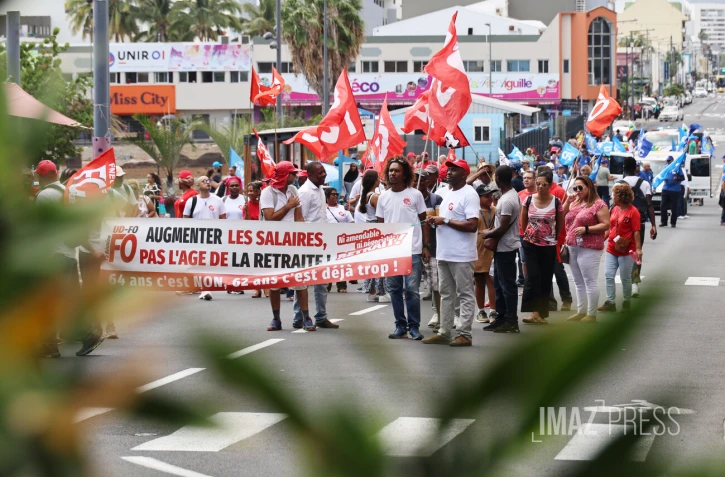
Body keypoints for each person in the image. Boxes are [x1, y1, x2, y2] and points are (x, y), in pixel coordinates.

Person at [35, 160, 106, 357]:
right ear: (56, 173)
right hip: (69, 253)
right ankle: (52, 345)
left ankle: (60, 343)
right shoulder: (68, 192)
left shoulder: (44, 196)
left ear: (39, 176)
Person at [422, 158, 479, 347]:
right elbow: (445, 219)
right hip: (444, 252)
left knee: (464, 294)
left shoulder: (469, 194)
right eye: (448, 169)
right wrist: (435, 221)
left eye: (454, 170)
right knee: (446, 293)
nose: (448, 172)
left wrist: (444, 221)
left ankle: (465, 334)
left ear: (464, 174)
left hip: (461, 255)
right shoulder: (447, 193)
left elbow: (472, 225)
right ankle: (445, 331)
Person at [376, 157, 430, 340]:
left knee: (412, 290)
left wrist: (426, 246)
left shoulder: (415, 195)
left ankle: (414, 326)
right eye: (390, 170)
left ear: (405, 174)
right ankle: (400, 325)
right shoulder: (383, 197)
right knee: (395, 290)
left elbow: (424, 222)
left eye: (397, 171)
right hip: (392, 251)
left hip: (412, 250)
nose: (392, 174)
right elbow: (380, 226)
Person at [260, 162, 314, 330]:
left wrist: (304, 236)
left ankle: (306, 318)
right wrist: (288, 206)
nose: (296, 176)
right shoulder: (267, 193)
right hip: (274, 244)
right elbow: (269, 218)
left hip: (294, 243)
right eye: (292, 173)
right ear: (284, 175)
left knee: (300, 282)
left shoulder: (293, 190)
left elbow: (298, 216)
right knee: (275, 283)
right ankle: (276, 319)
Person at [295, 162, 341, 329]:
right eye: (320, 173)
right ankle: (298, 316)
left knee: (321, 281)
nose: (324, 175)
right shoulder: (305, 192)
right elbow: (301, 219)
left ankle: (321, 316)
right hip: (309, 243)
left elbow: (321, 216)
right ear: (310, 174)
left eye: (324, 172)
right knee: (303, 282)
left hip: (322, 242)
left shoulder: (321, 190)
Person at [520, 168, 564, 325]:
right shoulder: (529, 200)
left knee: (545, 278)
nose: (540, 187)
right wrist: (529, 235)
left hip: (548, 245)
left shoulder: (556, 202)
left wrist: (552, 237)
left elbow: (560, 223)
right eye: (538, 184)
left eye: (543, 184)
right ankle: (534, 311)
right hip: (530, 244)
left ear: (550, 185)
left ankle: (541, 313)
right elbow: (523, 221)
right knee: (532, 277)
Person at [562, 176, 610, 323]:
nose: (577, 191)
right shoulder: (575, 202)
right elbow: (562, 216)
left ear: (589, 187)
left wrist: (587, 229)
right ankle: (581, 311)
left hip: (590, 246)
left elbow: (606, 224)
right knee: (578, 281)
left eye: (580, 188)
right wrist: (567, 202)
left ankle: (591, 314)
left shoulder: (599, 204)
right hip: (572, 245)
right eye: (575, 188)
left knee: (590, 280)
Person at [481, 165, 522, 333]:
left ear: (498, 179)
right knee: (498, 284)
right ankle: (501, 317)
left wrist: (487, 233)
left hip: (506, 248)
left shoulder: (507, 200)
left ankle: (511, 321)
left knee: (507, 286)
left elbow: (503, 227)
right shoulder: (509, 196)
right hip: (502, 248)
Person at [599, 183, 642, 314]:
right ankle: (610, 302)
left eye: (614, 194)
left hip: (627, 250)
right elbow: (611, 227)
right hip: (612, 247)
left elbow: (636, 231)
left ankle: (626, 302)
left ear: (621, 196)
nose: (612, 196)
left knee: (625, 278)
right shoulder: (614, 208)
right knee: (608, 275)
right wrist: (602, 240)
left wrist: (638, 249)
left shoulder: (633, 211)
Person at [183, 176, 227, 301]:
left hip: (214, 238)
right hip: (196, 238)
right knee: (199, 264)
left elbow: (223, 219)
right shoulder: (191, 201)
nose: (207, 183)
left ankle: (206, 288)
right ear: (198, 185)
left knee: (209, 263)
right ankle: (203, 288)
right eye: (204, 181)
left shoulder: (218, 200)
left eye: (208, 181)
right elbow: (185, 221)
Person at [620, 157, 656, 298]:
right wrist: (653, 225)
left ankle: (626, 281)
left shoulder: (619, 183)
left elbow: (614, 205)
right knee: (636, 252)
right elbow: (649, 205)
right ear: (636, 168)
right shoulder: (644, 183)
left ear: (623, 168)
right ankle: (635, 283)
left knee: (621, 252)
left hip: (622, 223)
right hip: (639, 223)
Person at [415, 170, 443, 328]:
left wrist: (429, 220)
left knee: (436, 285)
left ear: (427, 182)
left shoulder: (435, 199)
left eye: (421, 180)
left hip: (433, 246)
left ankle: (440, 316)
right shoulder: (409, 199)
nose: (417, 184)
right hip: (413, 247)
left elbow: (438, 222)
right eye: (414, 181)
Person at [356, 170, 388, 302]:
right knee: (380, 261)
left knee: (373, 261)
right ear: (374, 181)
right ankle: (379, 291)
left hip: (369, 226)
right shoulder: (375, 196)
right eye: (378, 178)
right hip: (377, 226)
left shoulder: (365, 195)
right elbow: (383, 212)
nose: (380, 180)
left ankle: (372, 290)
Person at [473, 184, 497, 324]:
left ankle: (493, 310)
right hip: (477, 250)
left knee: (491, 281)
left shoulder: (495, 210)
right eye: (486, 196)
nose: (490, 198)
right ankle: (481, 311)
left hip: (492, 250)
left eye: (491, 195)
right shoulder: (474, 212)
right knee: (479, 281)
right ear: (479, 198)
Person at [324, 187, 353, 293]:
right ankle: (327, 284)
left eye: (336, 194)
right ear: (327, 197)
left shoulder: (342, 208)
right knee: (328, 262)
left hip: (342, 240)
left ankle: (342, 285)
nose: (335, 196)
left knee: (341, 262)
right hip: (327, 239)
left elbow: (351, 222)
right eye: (333, 194)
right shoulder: (323, 209)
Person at [516, 170, 536, 287]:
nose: (526, 180)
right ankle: (528, 286)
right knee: (524, 261)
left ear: (535, 180)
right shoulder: (519, 195)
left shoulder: (539, 194)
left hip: (537, 234)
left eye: (529, 178)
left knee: (536, 261)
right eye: (524, 178)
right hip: (522, 233)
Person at [660, 156, 684, 228]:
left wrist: (677, 178)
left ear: (672, 160)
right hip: (666, 188)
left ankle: (673, 222)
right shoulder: (666, 167)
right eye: (667, 161)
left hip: (675, 190)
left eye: (669, 161)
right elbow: (662, 175)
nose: (668, 162)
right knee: (663, 206)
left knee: (674, 207)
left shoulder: (677, 167)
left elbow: (683, 177)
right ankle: (664, 222)